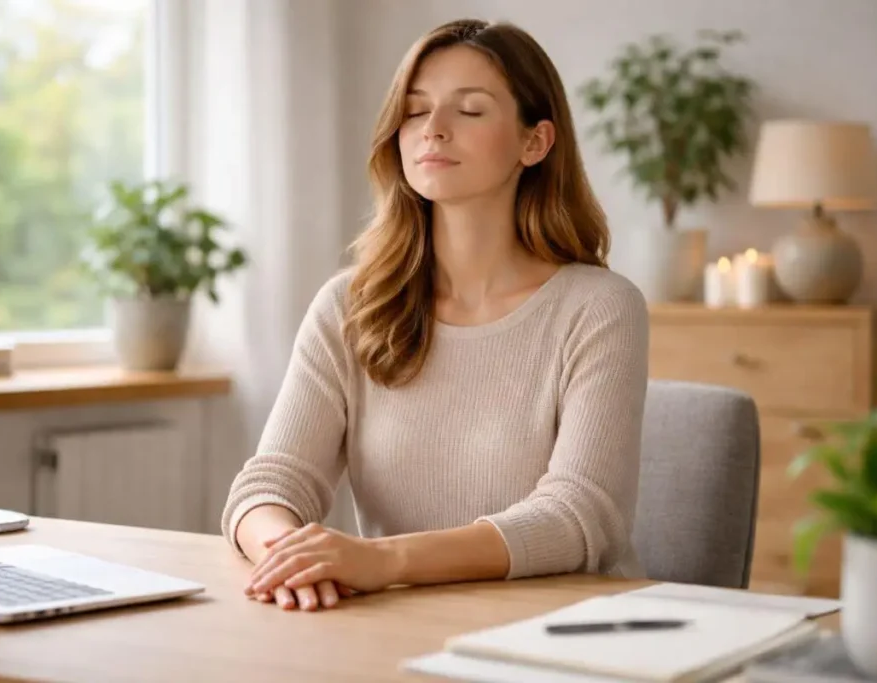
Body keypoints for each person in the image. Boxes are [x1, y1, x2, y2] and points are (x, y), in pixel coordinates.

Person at [221, 18, 649, 612]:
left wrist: (384, 560)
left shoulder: (599, 308)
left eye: (469, 111)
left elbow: (580, 515)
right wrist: (288, 554)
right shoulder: (350, 306)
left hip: (564, 634)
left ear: (535, 142)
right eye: (415, 111)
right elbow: (270, 485)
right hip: (396, 625)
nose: (434, 131)